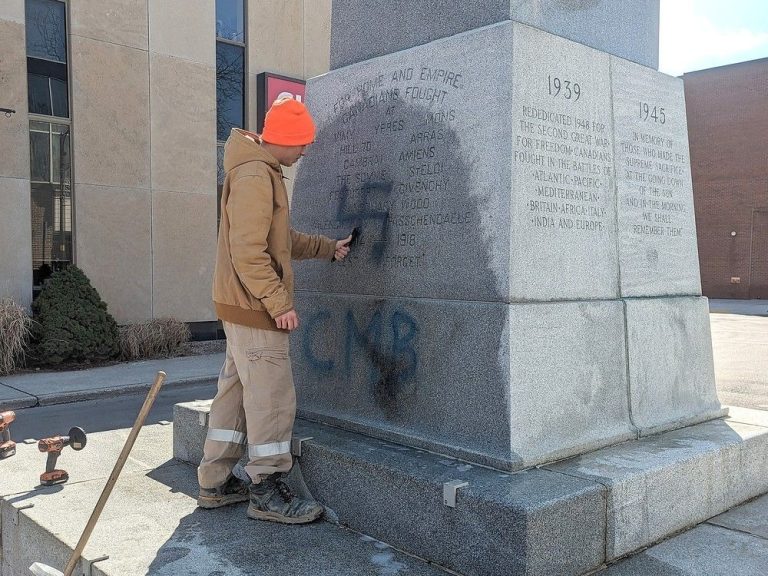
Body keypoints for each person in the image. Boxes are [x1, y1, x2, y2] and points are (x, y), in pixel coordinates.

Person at [197, 97, 352, 524]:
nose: (304, 152)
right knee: (271, 399)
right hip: (256, 309)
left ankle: (214, 481)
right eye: (301, 144)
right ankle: (265, 489)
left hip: (242, 307)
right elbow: (248, 253)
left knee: (235, 393)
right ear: (283, 140)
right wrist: (279, 303)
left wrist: (325, 248)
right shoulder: (254, 176)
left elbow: (278, 240)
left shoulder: (258, 170)